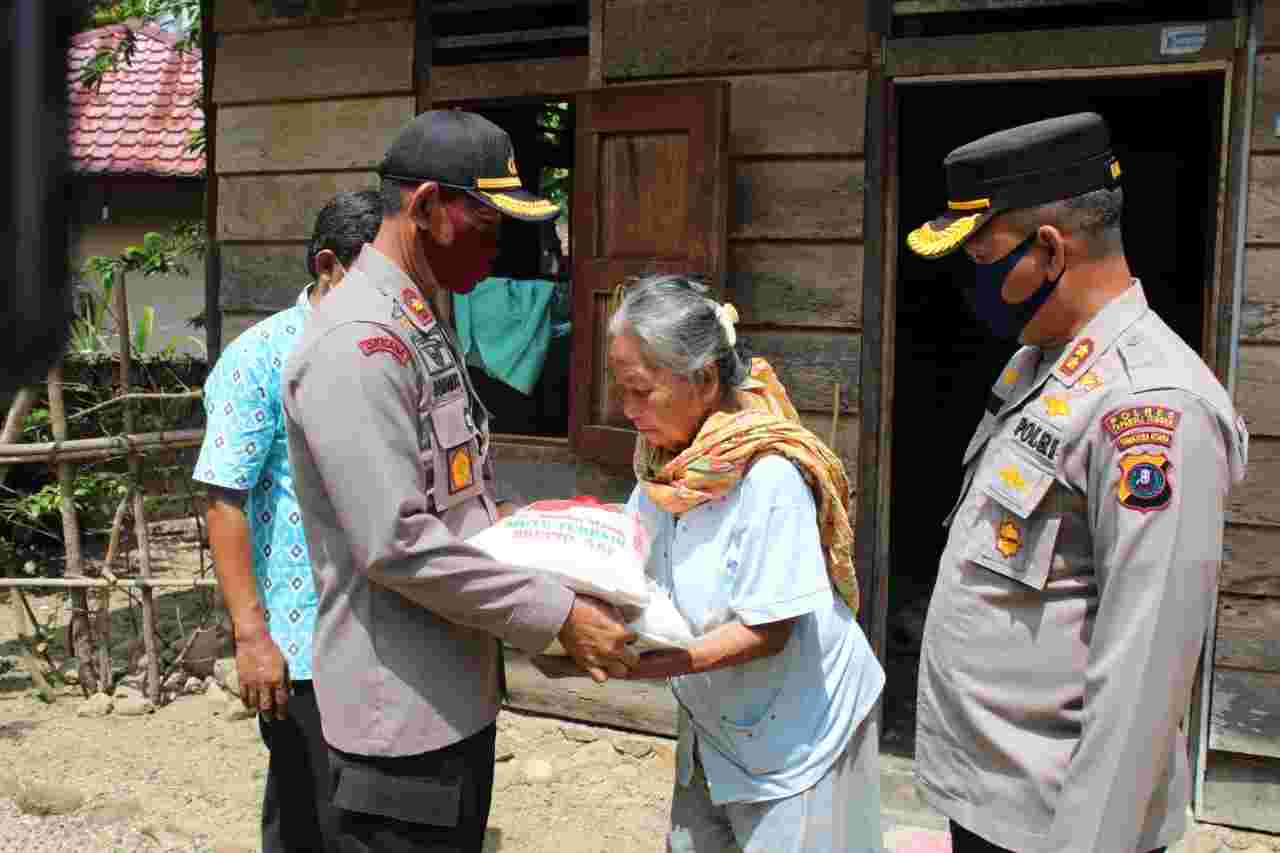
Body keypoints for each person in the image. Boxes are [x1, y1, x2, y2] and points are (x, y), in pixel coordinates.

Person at [280, 110, 637, 853]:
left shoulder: (418, 319)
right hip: (397, 731)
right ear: (425, 207)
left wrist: (549, 546)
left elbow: (458, 498)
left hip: (450, 701)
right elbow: (398, 543)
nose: (501, 245)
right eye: (487, 223)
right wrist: (554, 613)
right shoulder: (360, 343)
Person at [905, 112, 1250, 853]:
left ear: (1051, 250)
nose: (972, 281)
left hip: (1062, 827)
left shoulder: (1151, 408)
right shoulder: (1042, 363)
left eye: (983, 257)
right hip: (996, 802)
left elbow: (1145, 674)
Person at [608, 275, 886, 853]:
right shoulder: (663, 465)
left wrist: (645, 666)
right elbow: (629, 554)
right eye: (620, 388)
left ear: (704, 378)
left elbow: (770, 630)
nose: (625, 409)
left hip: (800, 730)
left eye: (640, 390)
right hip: (720, 717)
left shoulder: (769, 476)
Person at [194, 189, 383, 852]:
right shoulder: (260, 359)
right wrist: (252, 636)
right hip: (300, 643)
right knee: (307, 815)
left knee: (364, 819)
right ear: (329, 266)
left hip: (379, 634)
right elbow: (225, 498)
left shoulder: (383, 354)